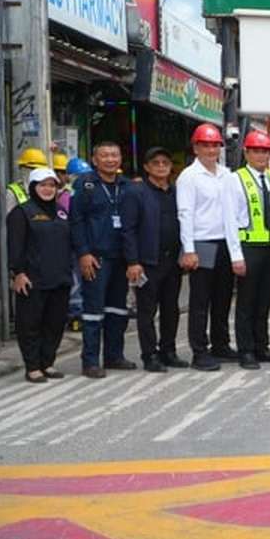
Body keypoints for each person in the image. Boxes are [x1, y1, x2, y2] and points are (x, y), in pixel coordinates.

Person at [177, 123, 244, 372]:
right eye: (205, 145)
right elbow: (185, 214)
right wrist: (189, 249)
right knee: (200, 301)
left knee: (223, 298)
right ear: (195, 147)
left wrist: (236, 250)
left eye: (215, 145)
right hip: (201, 243)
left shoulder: (227, 175)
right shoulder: (189, 177)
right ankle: (199, 351)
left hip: (225, 243)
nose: (210, 149)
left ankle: (221, 344)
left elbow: (234, 212)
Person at [70, 141, 136, 378]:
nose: (110, 159)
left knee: (118, 310)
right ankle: (90, 361)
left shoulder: (127, 186)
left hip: (121, 258)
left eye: (114, 155)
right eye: (105, 155)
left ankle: (114, 356)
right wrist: (83, 254)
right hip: (96, 258)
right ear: (95, 160)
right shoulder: (86, 185)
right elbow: (76, 221)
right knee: (93, 311)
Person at [121, 147, 187, 372]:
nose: (161, 166)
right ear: (147, 167)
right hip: (147, 261)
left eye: (165, 162)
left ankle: (168, 351)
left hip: (173, 261)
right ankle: (149, 355)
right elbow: (128, 229)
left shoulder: (177, 192)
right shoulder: (136, 192)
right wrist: (132, 262)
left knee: (171, 309)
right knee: (147, 311)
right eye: (155, 162)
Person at [228, 130, 270, 370]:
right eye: (257, 151)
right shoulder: (235, 179)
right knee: (246, 302)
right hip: (248, 247)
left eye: (265, 151)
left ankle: (262, 346)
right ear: (246, 152)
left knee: (264, 301)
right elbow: (229, 219)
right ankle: (246, 350)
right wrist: (236, 255)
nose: (262, 155)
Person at [8, 168, 71, 383]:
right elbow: (15, 246)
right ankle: (33, 366)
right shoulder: (22, 212)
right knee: (30, 324)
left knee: (55, 323)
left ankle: (48, 363)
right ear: (33, 187)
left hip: (60, 278)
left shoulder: (62, 211)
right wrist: (18, 273)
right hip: (32, 280)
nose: (47, 189)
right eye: (42, 185)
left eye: (52, 185)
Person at [64, 157, 92, 332]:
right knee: (76, 282)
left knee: (85, 280)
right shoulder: (66, 195)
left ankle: (83, 312)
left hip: (87, 244)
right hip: (73, 246)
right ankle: (76, 314)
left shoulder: (88, 191)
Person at [5, 147, 49, 213]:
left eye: (40, 170)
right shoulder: (12, 192)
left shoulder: (45, 190)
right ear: (23, 169)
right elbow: (9, 218)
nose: (37, 173)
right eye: (33, 169)